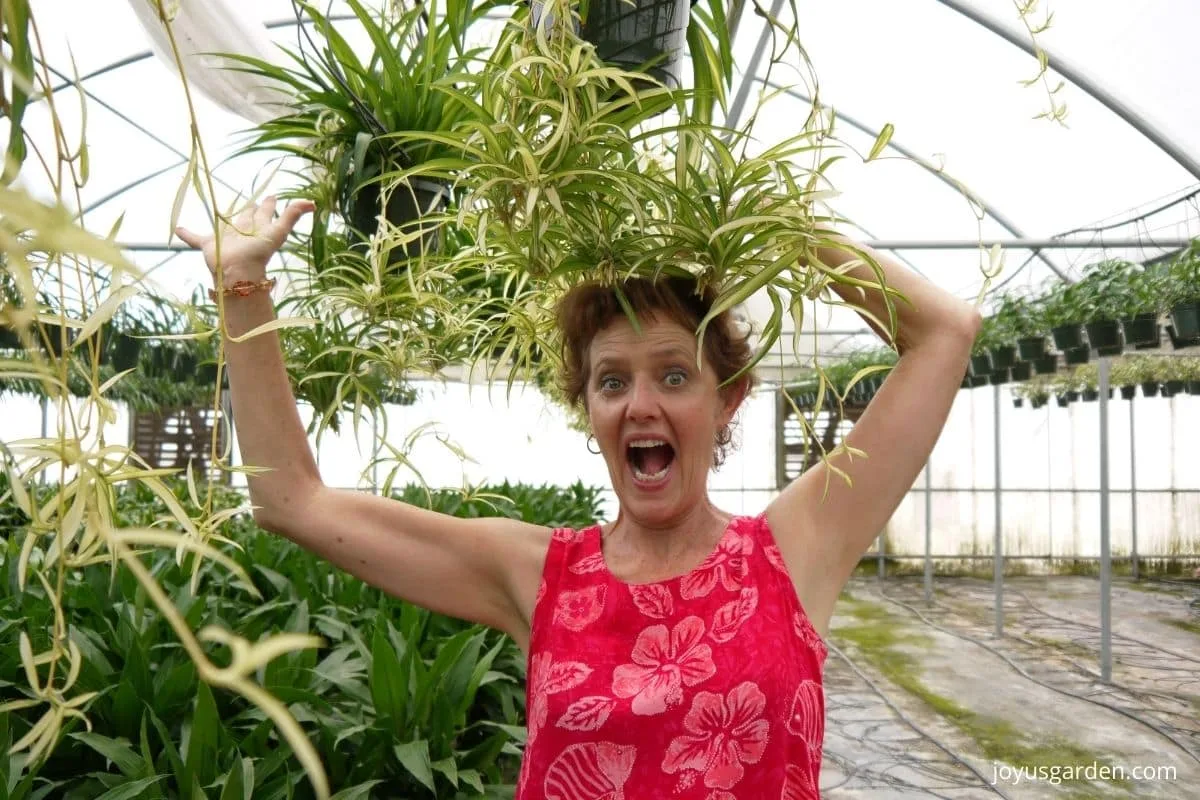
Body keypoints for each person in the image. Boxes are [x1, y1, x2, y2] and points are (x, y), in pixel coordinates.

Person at [176, 197, 980, 800]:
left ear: (726, 398)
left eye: (674, 374)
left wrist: (783, 228)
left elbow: (945, 332)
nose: (641, 405)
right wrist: (243, 284)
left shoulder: (795, 549)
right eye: (611, 381)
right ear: (588, 409)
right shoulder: (541, 576)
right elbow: (290, 501)